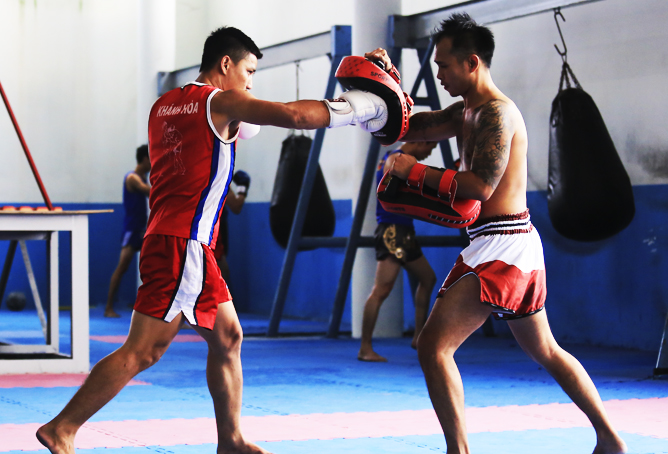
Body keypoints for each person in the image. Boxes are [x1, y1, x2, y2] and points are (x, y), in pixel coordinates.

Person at [36, 26, 388, 454]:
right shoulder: (218, 101)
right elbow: (296, 117)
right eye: (249, 71)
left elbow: (212, 139)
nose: (250, 82)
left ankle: (231, 440)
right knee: (143, 351)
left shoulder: (164, 105)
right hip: (185, 243)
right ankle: (63, 428)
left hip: (174, 240)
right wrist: (364, 105)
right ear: (226, 64)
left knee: (228, 336)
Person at [366, 13, 628, 454]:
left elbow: (480, 186)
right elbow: (411, 126)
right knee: (546, 350)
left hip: (504, 247)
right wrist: (382, 84)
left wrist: (417, 170)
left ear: (472, 63)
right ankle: (610, 437)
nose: (439, 74)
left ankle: (459, 450)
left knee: (433, 346)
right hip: (499, 243)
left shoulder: (496, 114)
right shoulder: (464, 111)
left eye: (445, 66)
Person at [358, 141, 438, 362]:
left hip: (404, 230)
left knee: (428, 278)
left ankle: (418, 337)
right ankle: (365, 348)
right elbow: (393, 192)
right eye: (429, 147)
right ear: (419, 140)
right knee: (381, 290)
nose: (429, 153)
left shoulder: (393, 158)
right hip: (393, 232)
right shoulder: (396, 160)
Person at [104, 145, 151, 318]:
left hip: (143, 229)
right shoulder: (132, 178)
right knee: (122, 268)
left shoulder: (144, 177)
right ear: (145, 159)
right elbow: (149, 192)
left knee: (154, 268)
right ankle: (108, 307)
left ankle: (146, 305)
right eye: (151, 158)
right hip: (132, 229)